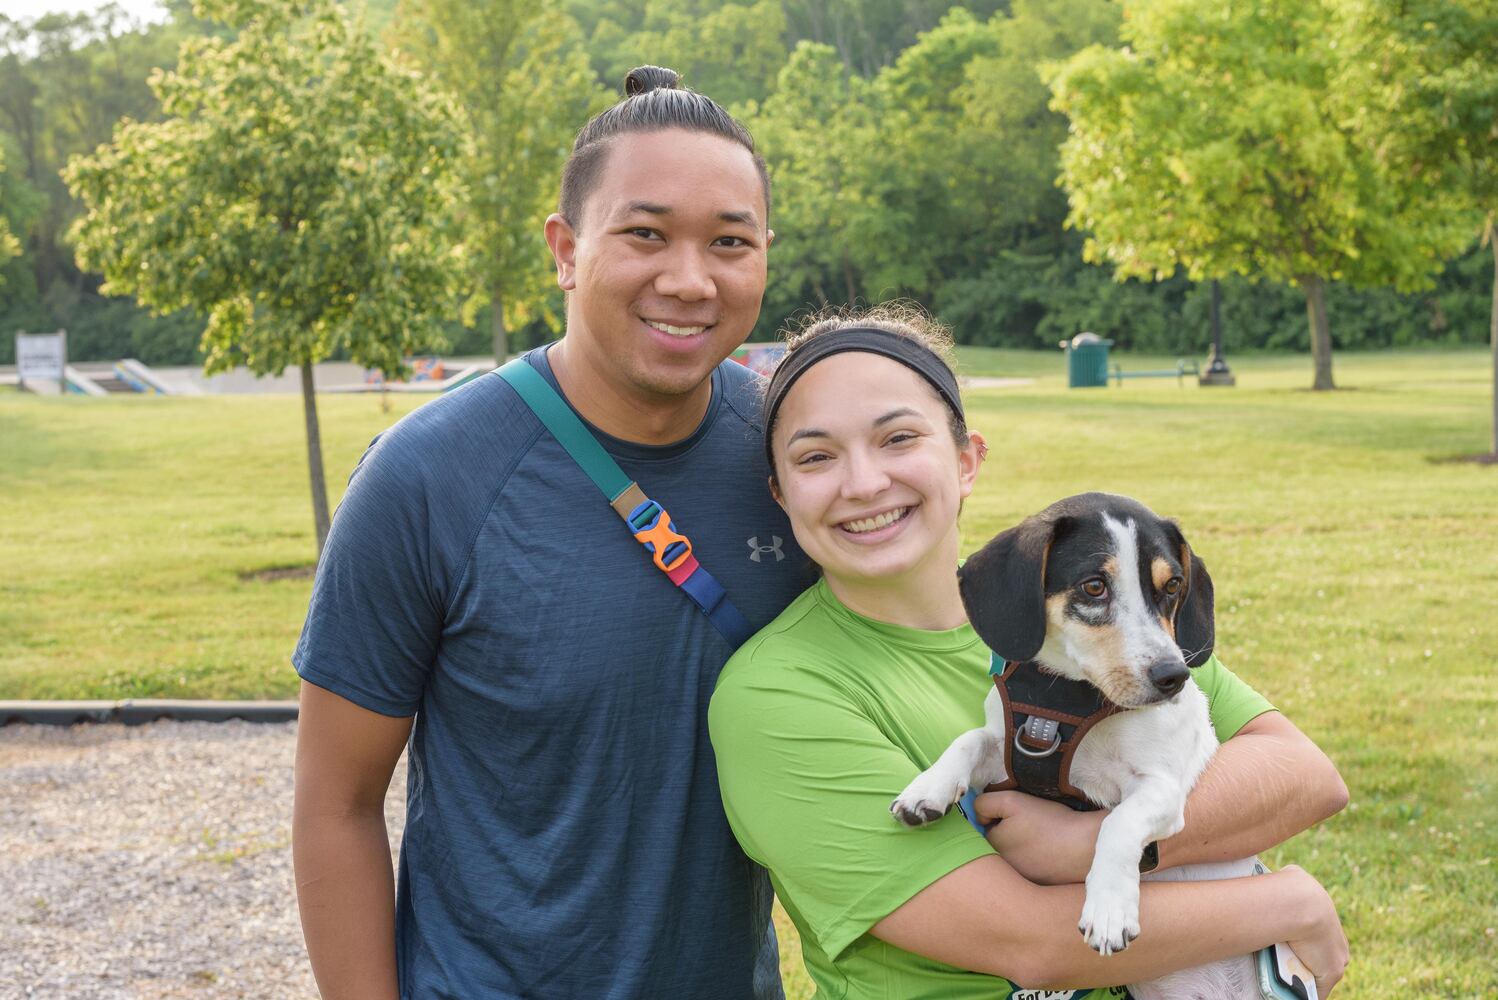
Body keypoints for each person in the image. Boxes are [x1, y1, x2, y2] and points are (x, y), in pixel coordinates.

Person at [291, 67, 813, 999]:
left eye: (729, 242)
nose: (689, 280)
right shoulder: (425, 477)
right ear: (566, 249)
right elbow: (336, 805)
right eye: (645, 234)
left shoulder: (794, 459)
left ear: (765, 254)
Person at [708, 305, 1351, 999]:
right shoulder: (778, 696)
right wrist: (1289, 903)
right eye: (816, 456)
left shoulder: (1108, 633)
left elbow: (1307, 777)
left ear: (965, 460)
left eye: (897, 438)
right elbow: (1036, 945)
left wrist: (1087, 843)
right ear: (780, 492)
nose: (863, 483)